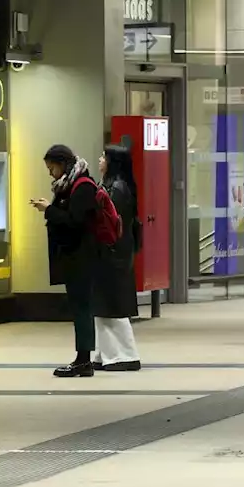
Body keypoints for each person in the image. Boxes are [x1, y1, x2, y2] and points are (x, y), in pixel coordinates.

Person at [30, 145, 100, 378]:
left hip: (82, 257)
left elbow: (75, 222)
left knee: (82, 308)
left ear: (63, 164)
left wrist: (49, 210)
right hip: (74, 256)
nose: (51, 173)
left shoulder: (82, 187)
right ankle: (82, 359)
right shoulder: (69, 186)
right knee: (80, 308)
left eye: (52, 167)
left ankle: (84, 360)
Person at [92, 145, 141, 372]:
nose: (100, 160)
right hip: (110, 254)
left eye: (104, 157)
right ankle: (106, 354)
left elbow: (108, 223)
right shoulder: (112, 186)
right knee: (104, 307)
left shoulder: (117, 189)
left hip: (113, 255)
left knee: (113, 307)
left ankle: (125, 354)